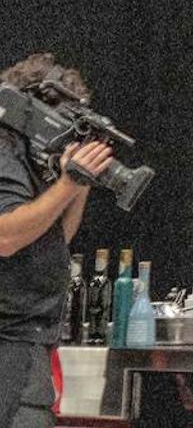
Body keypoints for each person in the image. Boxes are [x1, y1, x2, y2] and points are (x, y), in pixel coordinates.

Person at [0, 54, 113, 428]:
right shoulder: (4, 150)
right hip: (9, 341)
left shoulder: (31, 160)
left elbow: (54, 239)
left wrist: (79, 184)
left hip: (28, 338)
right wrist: (68, 184)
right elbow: (6, 235)